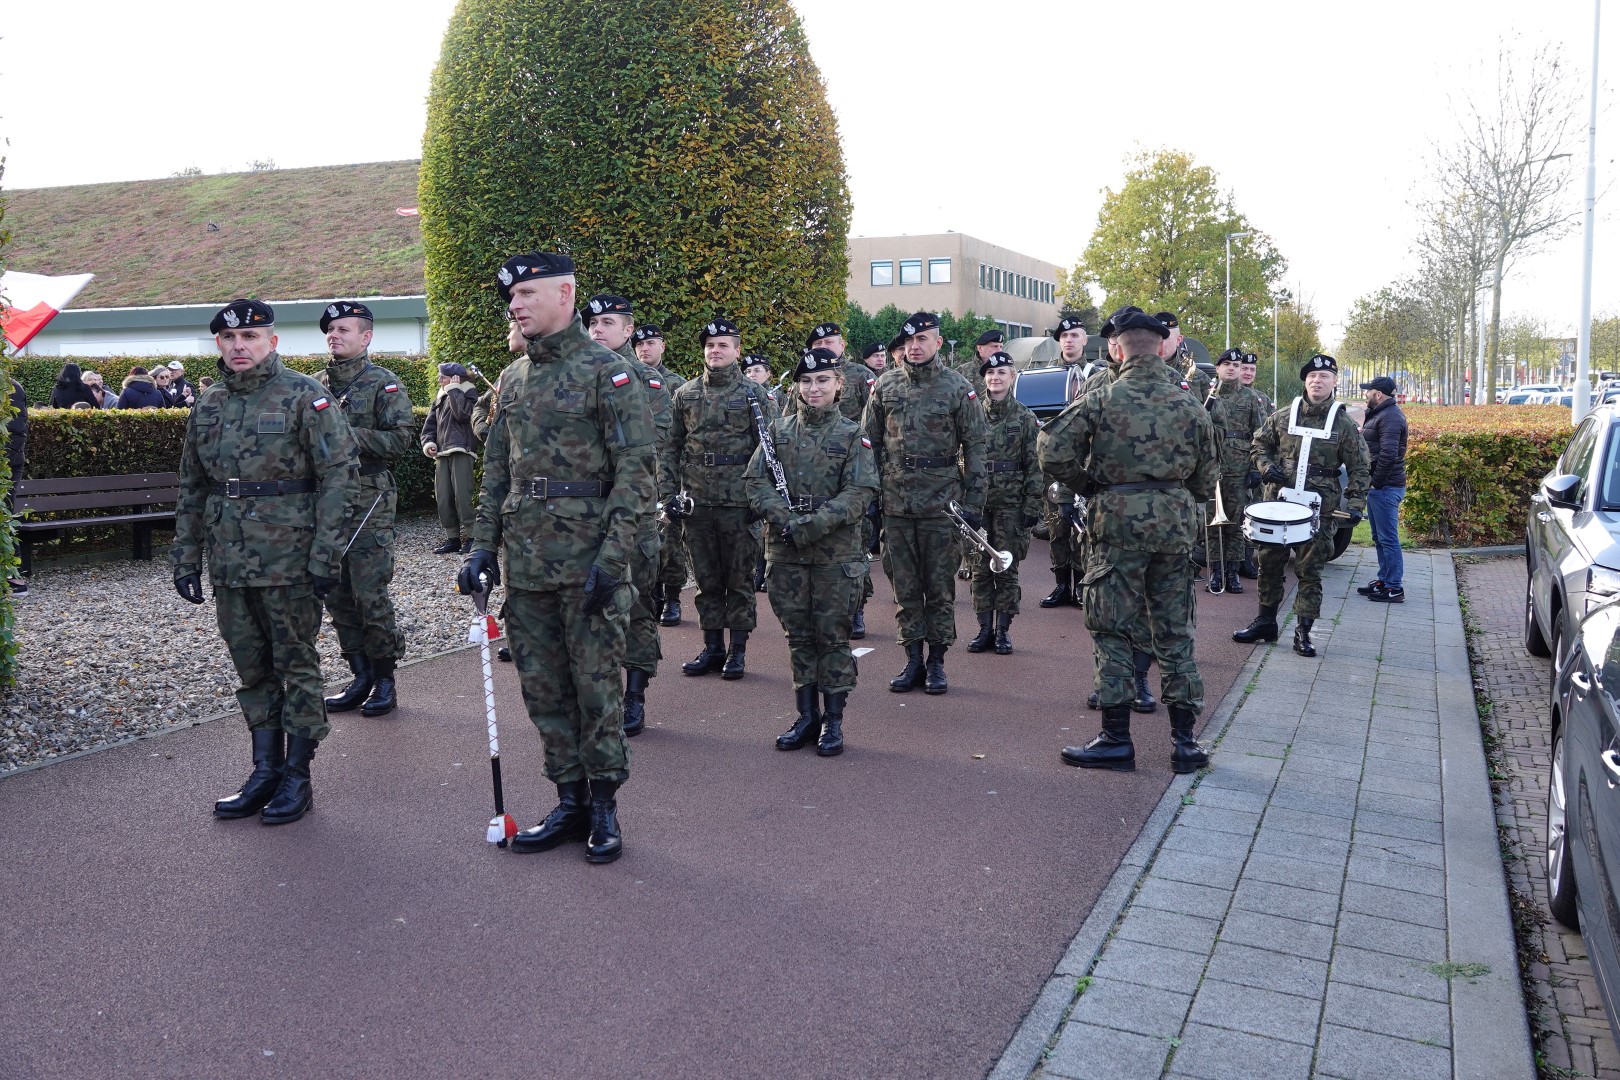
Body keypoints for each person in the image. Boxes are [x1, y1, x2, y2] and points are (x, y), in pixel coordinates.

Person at [459, 252, 654, 864]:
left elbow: (636, 472)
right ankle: (569, 799)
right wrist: (483, 545)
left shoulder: (608, 373)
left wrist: (614, 558)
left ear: (565, 294)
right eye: (511, 297)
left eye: (527, 294)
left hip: (588, 558)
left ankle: (604, 807)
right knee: (543, 689)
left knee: (595, 688)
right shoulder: (514, 378)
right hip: (528, 562)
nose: (515, 305)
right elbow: (497, 470)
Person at [171, 298, 361, 824]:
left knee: (295, 664)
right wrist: (186, 558)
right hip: (229, 561)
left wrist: (326, 554)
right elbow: (192, 486)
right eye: (229, 338)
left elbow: (340, 478)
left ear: (271, 342)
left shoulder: (304, 395)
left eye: (250, 337)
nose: (239, 346)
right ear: (218, 343)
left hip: (289, 559)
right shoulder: (208, 404)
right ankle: (265, 770)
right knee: (251, 668)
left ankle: (297, 776)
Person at [1039, 307, 1218, 774]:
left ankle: (1117, 739)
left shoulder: (1102, 398)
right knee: (1175, 631)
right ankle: (1185, 743)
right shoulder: (1190, 404)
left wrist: (1089, 485)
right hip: (1174, 527)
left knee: (1112, 629)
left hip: (1116, 525)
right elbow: (1206, 481)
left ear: (1117, 350)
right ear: (1161, 349)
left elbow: (1051, 449)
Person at [748, 348, 878, 755]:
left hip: (835, 555)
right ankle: (807, 717)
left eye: (822, 380)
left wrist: (813, 524)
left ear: (839, 385)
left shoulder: (852, 434)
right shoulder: (777, 431)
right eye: (806, 381)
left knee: (832, 637)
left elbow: (860, 491)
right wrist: (785, 519)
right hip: (786, 550)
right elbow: (755, 483)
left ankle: (833, 722)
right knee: (799, 637)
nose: (813, 388)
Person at [865, 311, 989, 694]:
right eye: (909, 341)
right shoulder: (885, 385)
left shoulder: (958, 387)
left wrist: (974, 502)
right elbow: (868, 445)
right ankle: (912, 660)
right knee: (904, 588)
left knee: (939, 588)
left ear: (938, 342)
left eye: (922, 339)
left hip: (942, 504)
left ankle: (936, 661)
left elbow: (976, 447)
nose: (914, 347)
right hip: (896, 503)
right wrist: (869, 496)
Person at [316, 300, 417, 718]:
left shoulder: (383, 383)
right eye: (330, 330)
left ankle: (384, 678)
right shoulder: (315, 386)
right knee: (335, 591)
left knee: (368, 590)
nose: (334, 335)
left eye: (343, 329)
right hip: (325, 500)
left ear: (366, 337)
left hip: (368, 496)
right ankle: (359, 675)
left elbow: (399, 441)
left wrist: (344, 433)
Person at [1234, 354, 1371, 657]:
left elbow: (1361, 466)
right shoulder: (1284, 415)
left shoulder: (1343, 423)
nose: (1317, 381)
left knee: (1310, 570)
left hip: (1320, 507)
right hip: (1278, 502)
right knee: (1269, 563)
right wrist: (1266, 466)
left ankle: (1303, 632)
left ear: (1334, 382)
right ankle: (1266, 623)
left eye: (1324, 376)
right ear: (1305, 381)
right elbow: (1258, 444)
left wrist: (1356, 503)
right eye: (1312, 376)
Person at [663, 318, 776, 681]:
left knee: (739, 580)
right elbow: (670, 448)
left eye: (723, 345)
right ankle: (712, 647)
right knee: (706, 580)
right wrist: (668, 494)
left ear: (737, 351)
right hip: (697, 503)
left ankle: (737, 650)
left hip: (739, 504)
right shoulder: (686, 394)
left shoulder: (754, 395)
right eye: (710, 345)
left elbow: (770, 450)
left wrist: (761, 501)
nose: (715, 350)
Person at [583, 293, 674, 738]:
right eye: (592, 323)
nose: (597, 329)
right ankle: (598, 695)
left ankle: (635, 694)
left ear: (628, 330)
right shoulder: (575, 373)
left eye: (607, 322)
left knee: (637, 605)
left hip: (633, 513)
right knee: (588, 607)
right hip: (584, 515)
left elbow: (649, 444)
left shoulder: (646, 380)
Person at [966, 351, 1041, 655]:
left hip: (1011, 504)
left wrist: (1033, 505)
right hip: (978, 504)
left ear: (1012, 378)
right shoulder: (972, 415)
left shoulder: (1025, 417)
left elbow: (1035, 465)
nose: (995, 378)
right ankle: (984, 629)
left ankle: (1003, 632)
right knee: (980, 567)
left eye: (1001, 373)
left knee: (1006, 567)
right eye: (990, 373)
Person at [633, 323, 690, 627]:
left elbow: (687, 435)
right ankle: (650, 593)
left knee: (670, 539)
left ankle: (673, 598)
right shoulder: (626, 378)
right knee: (641, 537)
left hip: (668, 472)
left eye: (651, 343)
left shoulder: (678, 385)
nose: (645, 349)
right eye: (640, 344)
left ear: (663, 346)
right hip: (637, 472)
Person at [1209, 348, 1270, 594]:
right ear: (1218, 368)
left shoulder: (1251, 397)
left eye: (1236, 365)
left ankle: (1233, 572)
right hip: (1211, 468)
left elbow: (1261, 435)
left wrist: (1255, 468)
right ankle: (1216, 571)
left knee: (1235, 523)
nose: (1232, 369)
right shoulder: (1208, 395)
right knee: (1212, 522)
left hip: (1239, 468)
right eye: (1227, 364)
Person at [1041, 315, 1090, 608]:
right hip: (1055, 463)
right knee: (1056, 526)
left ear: (1085, 340)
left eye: (1074, 335)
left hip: (1083, 463)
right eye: (1064, 336)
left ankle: (1082, 585)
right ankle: (1061, 585)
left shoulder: (1095, 374)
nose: (1069, 340)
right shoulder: (1046, 375)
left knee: (1081, 527)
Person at [1358, 375, 1408, 603]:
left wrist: (1376, 482)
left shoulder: (1390, 417)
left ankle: (1394, 587)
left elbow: (1389, 454)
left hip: (1385, 487)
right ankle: (1384, 580)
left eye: (1368, 391)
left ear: (1378, 394)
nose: (1365, 394)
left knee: (1388, 539)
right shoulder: (1381, 414)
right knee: (1379, 537)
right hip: (1380, 486)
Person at [420, 362, 479, 554]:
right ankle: (452, 539)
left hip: (462, 450)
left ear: (455, 378)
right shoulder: (440, 397)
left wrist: (454, 390)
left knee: (463, 497)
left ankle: (473, 537)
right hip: (441, 454)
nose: (439, 380)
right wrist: (429, 442)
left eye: (442, 377)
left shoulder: (470, 393)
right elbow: (429, 426)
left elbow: (463, 415)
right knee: (444, 498)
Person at [7, 376, 28, 595]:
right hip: (11, 457)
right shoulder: (12, 385)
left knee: (4, 515)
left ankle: (14, 576)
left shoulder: (9, 387)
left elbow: (14, 429)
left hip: (7, 461)